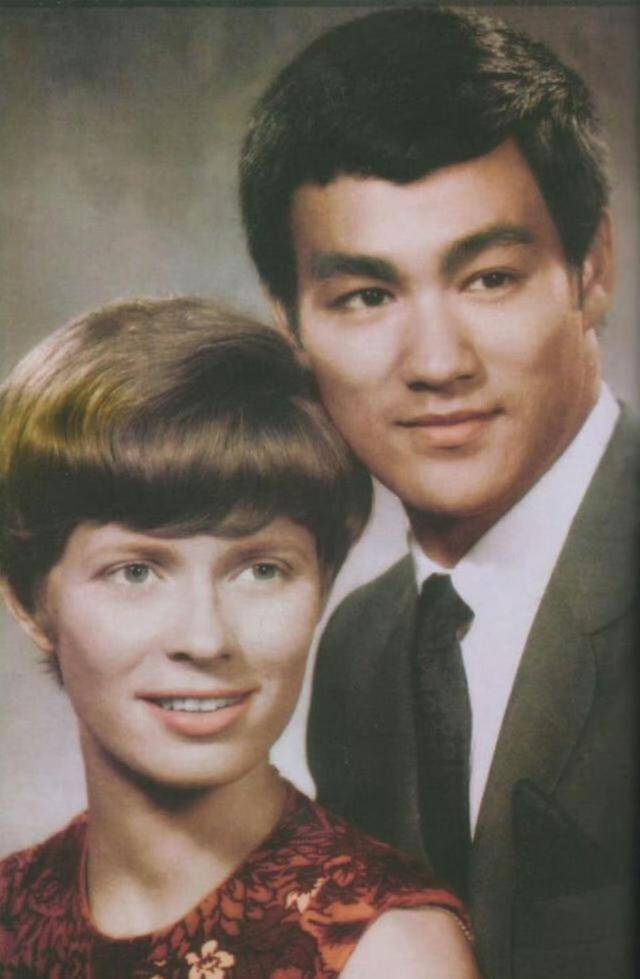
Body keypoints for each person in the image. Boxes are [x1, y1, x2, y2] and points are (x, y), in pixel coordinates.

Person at [239, 8, 639, 979]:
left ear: (590, 270)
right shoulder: (358, 649)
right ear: (290, 325)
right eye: (367, 297)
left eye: (488, 278)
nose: (436, 363)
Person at [0, 296, 480, 979]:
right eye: (136, 571)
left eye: (261, 570)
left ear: (321, 586)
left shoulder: (387, 951)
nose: (205, 639)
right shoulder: (11, 907)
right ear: (28, 599)